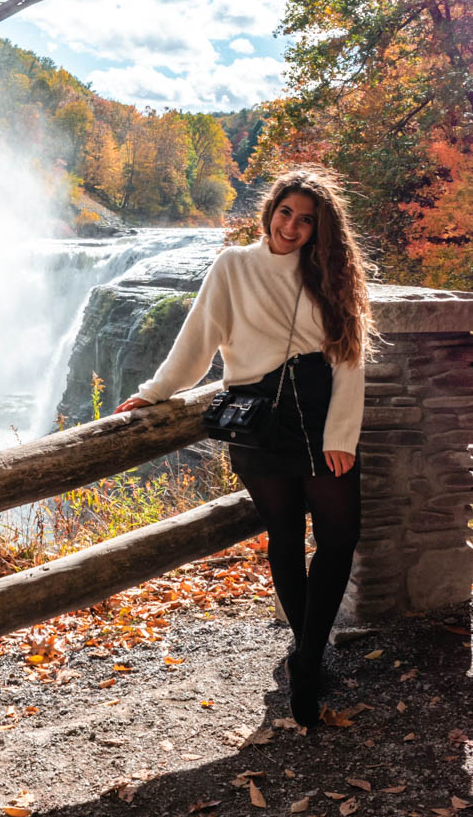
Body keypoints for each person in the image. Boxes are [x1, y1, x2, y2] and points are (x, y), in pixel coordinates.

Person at [114, 167, 374, 727]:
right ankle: (309, 660)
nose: (292, 226)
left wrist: (340, 436)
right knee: (283, 536)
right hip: (258, 417)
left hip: (320, 408)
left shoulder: (332, 273)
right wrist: (154, 392)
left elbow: (349, 359)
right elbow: (198, 339)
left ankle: (306, 656)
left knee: (338, 537)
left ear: (320, 228)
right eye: (286, 212)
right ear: (270, 211)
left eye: (307, 220)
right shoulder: (233, 265)